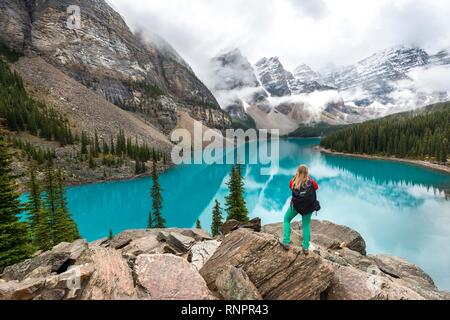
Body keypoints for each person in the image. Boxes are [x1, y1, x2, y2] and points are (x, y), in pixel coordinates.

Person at [281, 165, 319, 254]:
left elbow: (291, 188)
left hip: (296, 206)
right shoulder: (312, 182)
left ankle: (286, 241)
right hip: (308, 208)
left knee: (286, 219)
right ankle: (305, 247)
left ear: (297, 172)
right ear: (307, 173)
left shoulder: (292, 181)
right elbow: (316, 188)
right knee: (306, 225)